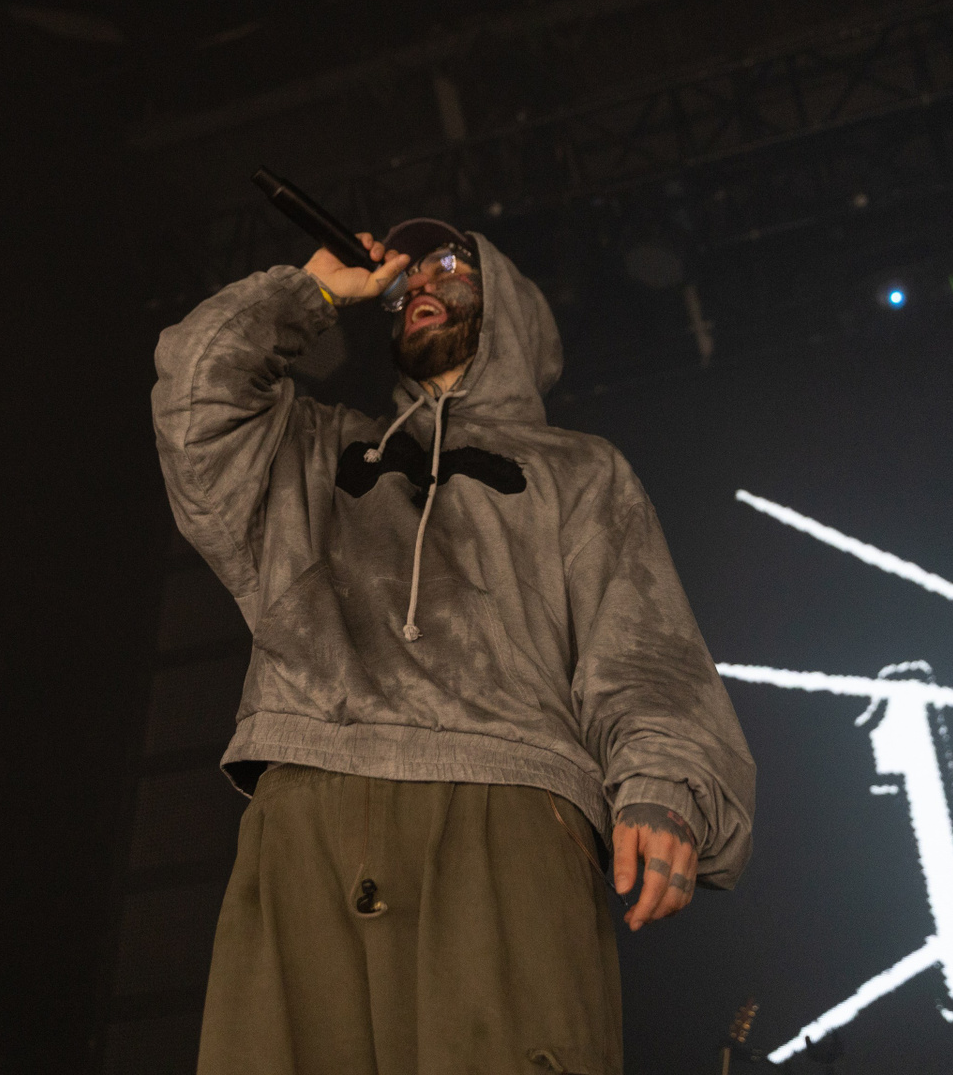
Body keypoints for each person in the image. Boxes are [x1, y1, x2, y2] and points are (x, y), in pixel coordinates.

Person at [152, 218, 756, 1074]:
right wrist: (311, 291)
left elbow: (643, 647)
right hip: (308, 795)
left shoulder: (579, 469)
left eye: (449, 268)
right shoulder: (310, 450)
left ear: (506, 301)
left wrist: (664, 785)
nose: (420, 286)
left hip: (505, 798)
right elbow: (193, 390)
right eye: (406, 281)